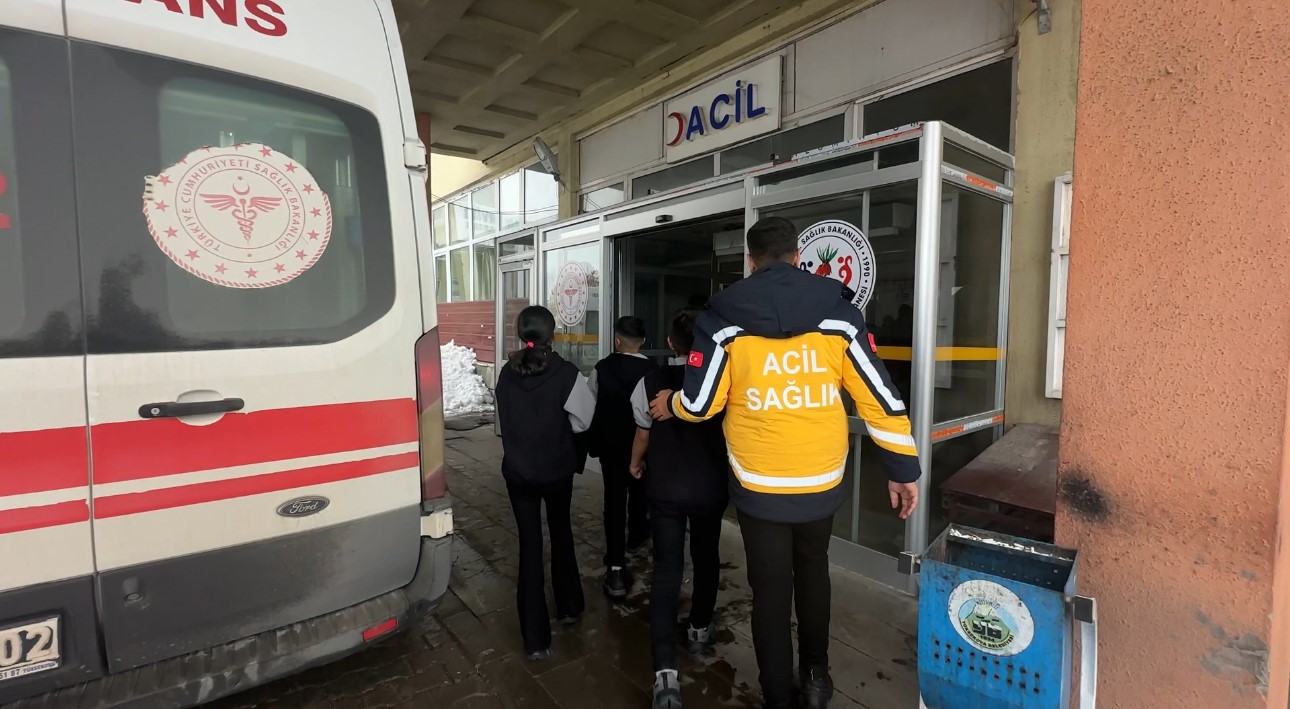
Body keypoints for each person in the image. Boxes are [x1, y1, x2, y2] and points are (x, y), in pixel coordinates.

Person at [649, 217, 921, 709]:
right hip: (821, 479)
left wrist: (672, 403)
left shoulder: (722, 319)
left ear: (750, 262)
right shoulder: (840, 315)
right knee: (814, 573)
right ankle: (816, 679)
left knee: (770, 591)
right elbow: (879, 398)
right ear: (798, 257)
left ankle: (776, 694)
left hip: (758, 484)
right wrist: (902, 469)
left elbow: (703, 403)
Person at [628, 307, 728, 709]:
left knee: (667, 571)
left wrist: (635, 463)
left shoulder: (650, 380)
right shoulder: (722, 378)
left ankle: (665, 673)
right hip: (709, 488)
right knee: (706, 557)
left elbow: (643, 431)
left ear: (670, 343)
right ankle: (699, 629)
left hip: (666, 489)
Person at [494, 306, 594, 661]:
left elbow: (501, 425)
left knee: (530, 545)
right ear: (553, 335)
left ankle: (535, 639)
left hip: (519, 473)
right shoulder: (567, 374)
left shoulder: (506, 374)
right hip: (556, 471)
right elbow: (583, 421)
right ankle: (568, 607)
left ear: (520, 334)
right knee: (561, 531)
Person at [588, 315, 657, 598]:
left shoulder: (601, 368)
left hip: (611, 448)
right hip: (644, 448)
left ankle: (615, 567)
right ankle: (637, 535)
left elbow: (591, 403)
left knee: (614, 502)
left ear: (617, 340)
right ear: (643, 341)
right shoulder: (654, 372)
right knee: (640, 490)